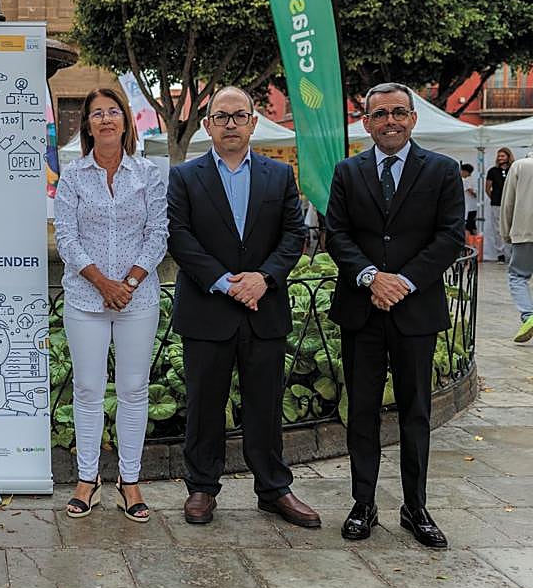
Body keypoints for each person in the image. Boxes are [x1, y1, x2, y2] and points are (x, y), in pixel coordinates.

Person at [167, 86, 318, 528]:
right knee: (203, 405)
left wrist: (264, 278)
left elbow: (294, 235)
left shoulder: (278, 175)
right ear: (207, 124)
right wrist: (222, 282)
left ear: (253, 122)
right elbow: (179, 236)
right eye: (221, 116)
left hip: (262, 307)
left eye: (239, 115)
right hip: (207, 308)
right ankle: (201, 487)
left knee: (265, 404)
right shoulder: (185, 176)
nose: (230, 123)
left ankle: (273, 489)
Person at [325, 82, 463, 549]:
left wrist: (401, 281)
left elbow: (449, 237)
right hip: (361, 310)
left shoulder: (441, 171)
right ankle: (363, 503)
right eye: (380, 114)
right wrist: (370, 276)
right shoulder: (347, 171)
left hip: (414, 309)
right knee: (361, 412)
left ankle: (415, 506)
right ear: (366, 122)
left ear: (413, 118)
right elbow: (336, 234)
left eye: (399, 112)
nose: (390, 121)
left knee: (415, 413)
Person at [54, 87, 167, 521]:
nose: (105, 119)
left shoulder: (147, 174)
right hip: (86, 297)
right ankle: (87, 479)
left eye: (113, 111)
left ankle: (130, 481)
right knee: (87, 389)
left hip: (138, 298)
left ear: (125, 122)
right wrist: (103, 283)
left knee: (134, 390)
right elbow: (66, 236)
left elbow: (158, 232)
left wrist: (130, 281)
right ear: (87, 125)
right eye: (96, 113)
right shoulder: (73, 175)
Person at [500, 150, 533, 343]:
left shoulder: (520, 166)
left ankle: (528, 316)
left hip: (524, 230)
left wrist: (506, 233)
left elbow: (508, 202)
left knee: (518, 275)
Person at [485, 148, 513, 261]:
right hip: (496, 203)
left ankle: (512, 254)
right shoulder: (493, 171)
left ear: (508, 156)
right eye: (499, 156)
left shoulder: (513, 169)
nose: (500, 158)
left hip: (511, 203)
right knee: (497, 229)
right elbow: (487, 188)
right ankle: (500, 254)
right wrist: (494, 198)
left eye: (503, 156)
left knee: (511, 228)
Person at [461, 163, 478, 236]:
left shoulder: (465, 180)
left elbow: (471, 191)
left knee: (468, 225)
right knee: (472, 225)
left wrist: (475, 194)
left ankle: (469, 243)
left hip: (469, 206)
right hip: (473, 206)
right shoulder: (471, 179)